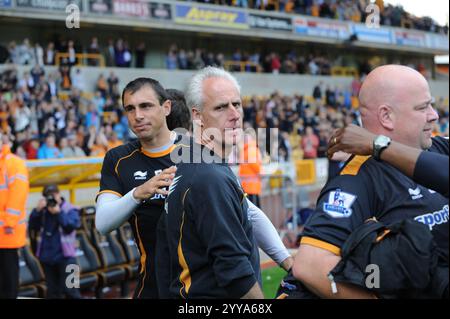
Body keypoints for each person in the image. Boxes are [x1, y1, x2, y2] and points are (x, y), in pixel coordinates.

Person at [96, 78, 292, 298]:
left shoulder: (195, 150)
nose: (138, 115)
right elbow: (102, 223)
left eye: (146, 106)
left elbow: (246, 210)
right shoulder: (119, 159)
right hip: (151, 284)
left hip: (200, 286)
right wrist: (137, 193)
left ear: (166, 107)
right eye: (130, 109)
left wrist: (287, 262)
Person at [292, 65, 448, 298]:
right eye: (423, 107)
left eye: (432, 105)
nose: (434, 115)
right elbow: (310, 265)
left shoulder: (439, 148)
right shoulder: (358, 178)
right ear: (386, 116)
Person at [158, 67, 264, 298]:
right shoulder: (208, 177)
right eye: (221, 107)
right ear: (197, 116)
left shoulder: (192, 165)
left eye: (237, 104)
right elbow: (235, 271)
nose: (235, 114)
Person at [328, 124, 448, 197]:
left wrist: (376, 143)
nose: (434, 115)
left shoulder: (437, 145)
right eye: (422, 108)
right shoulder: (359, 173)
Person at [28, 184, 82, 299]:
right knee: (53, 293)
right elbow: (32, 227)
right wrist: (37, 210)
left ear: (59, 194)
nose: (51, 198)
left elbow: (70, 227)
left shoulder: (70, 209)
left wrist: (59, 213)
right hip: (48, 258)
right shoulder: (43, 211)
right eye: (48, 196)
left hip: (68, 258)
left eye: (53, 195)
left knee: (72, 291)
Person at [0, 132, 29, 299]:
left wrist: (9, 223)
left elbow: (17, 197)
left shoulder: (14, 164)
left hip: (8, 234)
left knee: (8, 284)